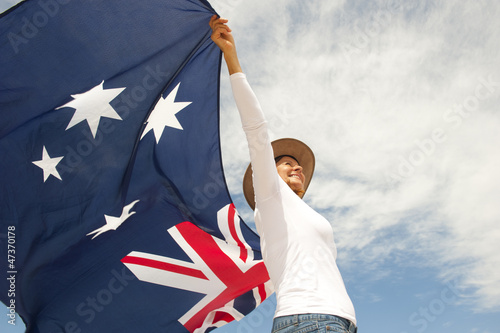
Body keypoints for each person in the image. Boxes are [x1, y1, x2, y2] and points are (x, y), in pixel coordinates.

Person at [209, 15, 357, 333]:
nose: (296, 167)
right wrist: (231, 58)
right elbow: (256, 130)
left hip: (338, 322)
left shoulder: (302, 214)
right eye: (286, 163)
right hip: (309, 320)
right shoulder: (271, 198)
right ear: (269, 176)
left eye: (297, 163)